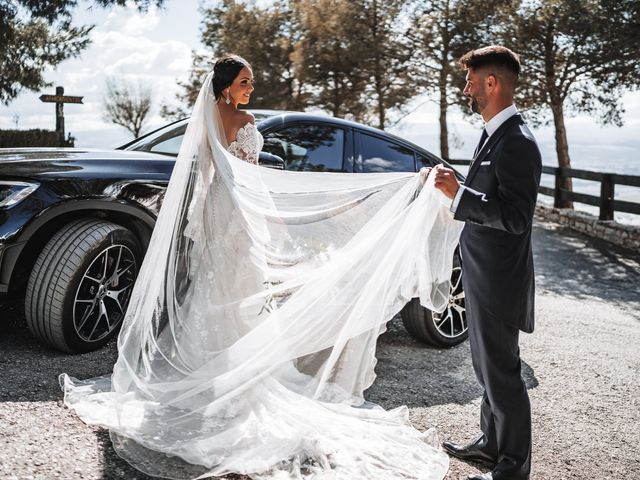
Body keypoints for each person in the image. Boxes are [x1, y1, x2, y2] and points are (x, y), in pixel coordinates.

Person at [59, 54, 464, 479]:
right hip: (237, 213)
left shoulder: (205, 120)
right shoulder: (242, 119)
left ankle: (202, 373)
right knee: (240, 291)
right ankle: (234, 376)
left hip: (215, 212)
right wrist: (268, 217)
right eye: (245, 82)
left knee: (213, 291)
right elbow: (249, 176)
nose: (251, 89)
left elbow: (205, 177)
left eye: (251, 82)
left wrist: (207, 217)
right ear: (226, 85)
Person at [433, 46, 542, 480]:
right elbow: (492, 195)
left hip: (500, 280)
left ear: (491, 83)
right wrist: (460, 186)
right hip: (481, 272)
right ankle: (491, 443)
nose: (466, 89)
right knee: (484, 366)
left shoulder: (517, 141)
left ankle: (514, 467)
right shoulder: (493, 133)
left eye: (471, 82)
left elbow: (516, 218)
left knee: (502, 372)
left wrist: (458, 196)